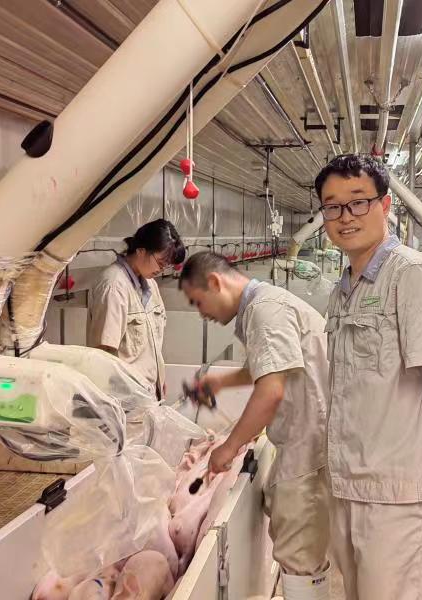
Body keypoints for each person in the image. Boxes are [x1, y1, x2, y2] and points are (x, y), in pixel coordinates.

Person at [315, 154, 422, 600]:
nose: (346, 216)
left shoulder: (412, 275)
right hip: (350, 483)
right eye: (332, 206)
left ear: (385, 206)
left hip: (397, 491)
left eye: (358, 202)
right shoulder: (344, 287)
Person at [178, 252, 331, 599]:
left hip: (308, 447)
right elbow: (271, 367)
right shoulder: (264, 306)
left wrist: (230, 447)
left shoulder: (265, 310)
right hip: (308, 442)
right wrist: (220, 382)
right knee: (300, 547)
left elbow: (271, 390)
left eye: (198, 302)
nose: (201, 313)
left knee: (299, 553)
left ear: (215, 282)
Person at [87, 218, 186, 400]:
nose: (162, 270)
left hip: (148, 394)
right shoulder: (114, 286)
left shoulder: (150, 284)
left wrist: (158, 377)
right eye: (160, 262)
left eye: (166, 265)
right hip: (125, 398)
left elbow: (151, 343)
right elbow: (104, 353)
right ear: (141, 250)